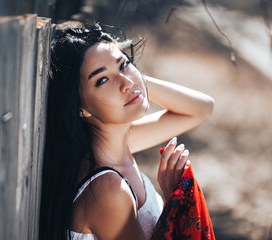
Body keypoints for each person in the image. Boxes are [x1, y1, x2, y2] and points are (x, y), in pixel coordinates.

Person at [39, 22, 215, 240]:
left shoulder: (114, 145)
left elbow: (201, 109)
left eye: (124, 65)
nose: (125, 83)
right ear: (79, 108)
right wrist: (174, 204)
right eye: (101, 80)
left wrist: (134, 80)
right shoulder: (107, 190)